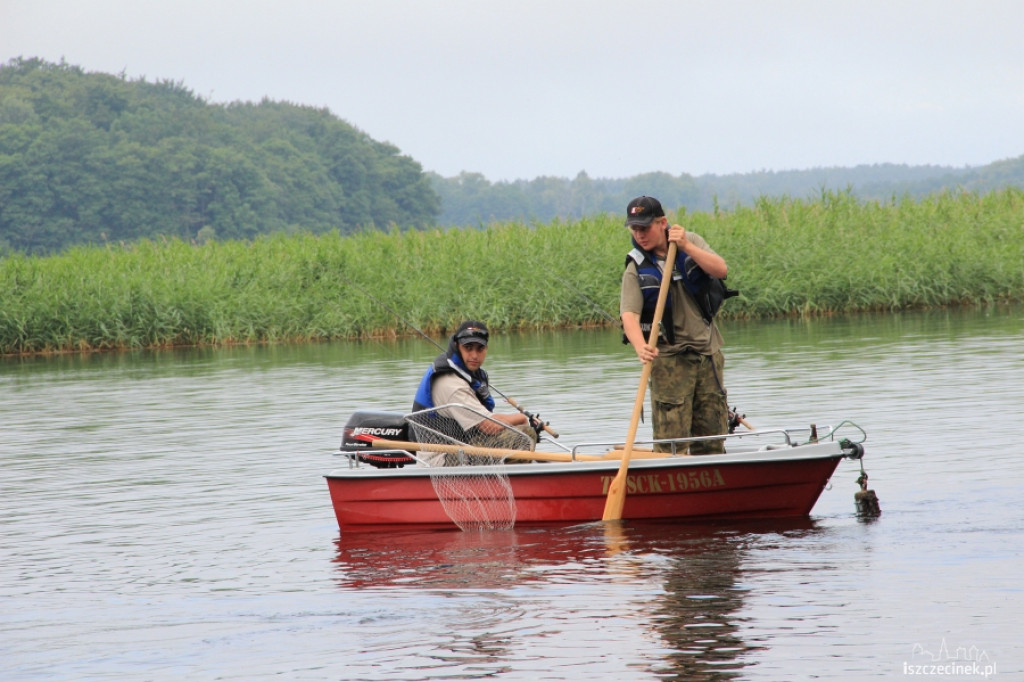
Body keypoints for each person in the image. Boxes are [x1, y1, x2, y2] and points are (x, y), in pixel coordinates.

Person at [619, 196, 730, 454]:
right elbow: (629, 315)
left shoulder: (691, 241)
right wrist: (640, 346)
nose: (640, 234)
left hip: (707, 354)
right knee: (672, 446)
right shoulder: (636, 266)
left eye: (645, 227)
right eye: (634, 229)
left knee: (712, 440)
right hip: (669, 361)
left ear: (662, 223)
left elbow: (720, 270)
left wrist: (686, 247)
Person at [412, 320, 540, 451]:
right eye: (468, 348)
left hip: (462, 446)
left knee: (521, 430)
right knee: (525, 434)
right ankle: (521, 469)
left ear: (486, 349)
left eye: (480, 349)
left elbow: (487, 418)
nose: (474, 355)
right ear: (457, 346)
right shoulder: (452, 385)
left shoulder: (468, 375)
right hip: (444, 459)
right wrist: (522, 418)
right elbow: (489, 426)